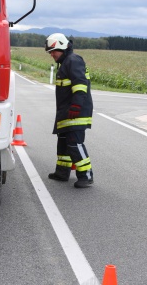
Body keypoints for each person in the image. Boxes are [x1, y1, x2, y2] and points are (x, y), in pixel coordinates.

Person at [45, 33, 94, 188]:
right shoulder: (66, 62)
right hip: (67, 112)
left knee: (74, 143)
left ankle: (86, 176)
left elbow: (80, 85)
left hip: (76, 112)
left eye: (54, 51)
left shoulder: (73, 60)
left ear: (63, 48)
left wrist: (76, 106)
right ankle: (62, 172)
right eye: (50, 52)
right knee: (64, 143)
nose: (52, 54)